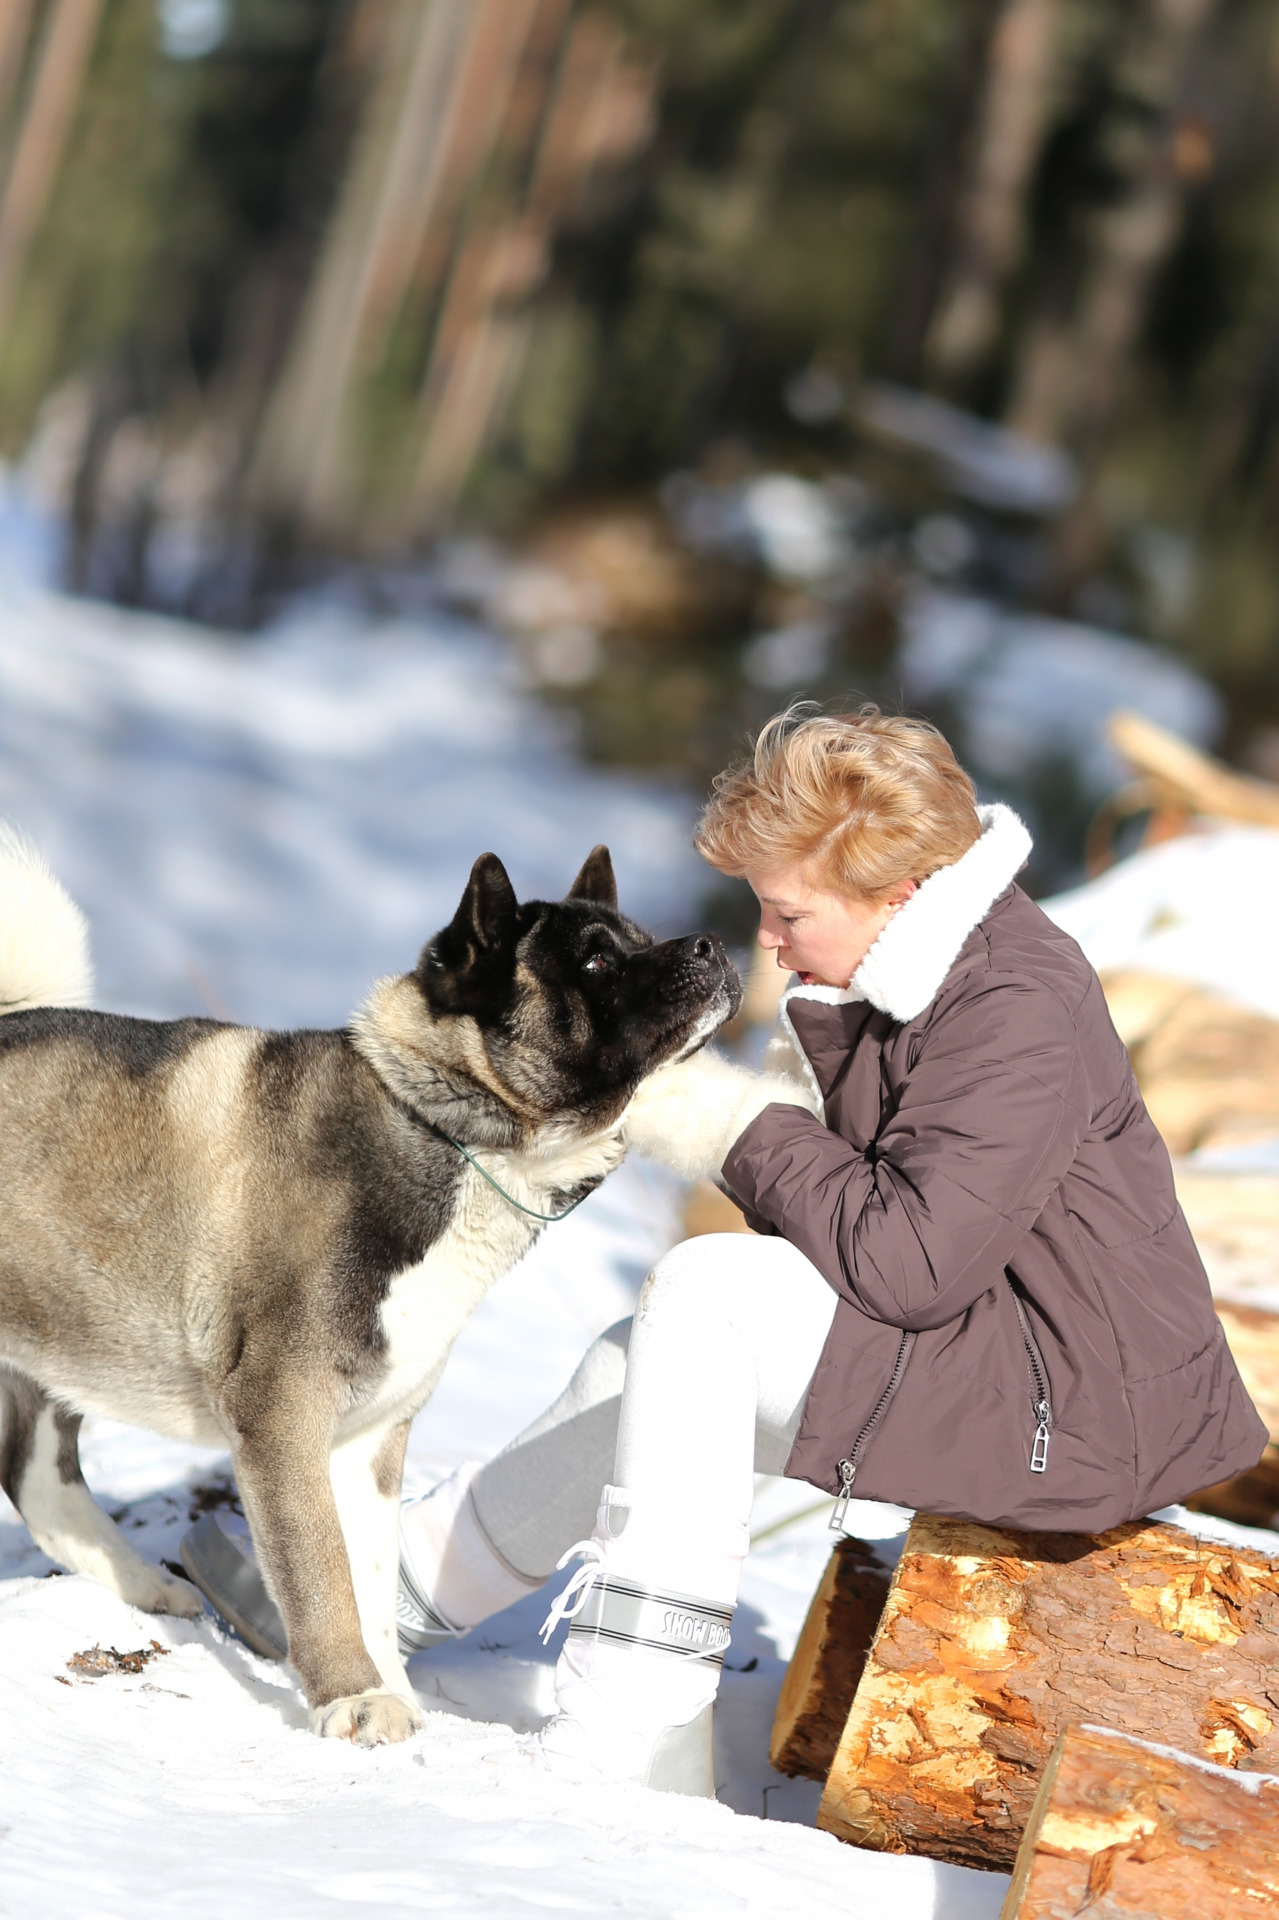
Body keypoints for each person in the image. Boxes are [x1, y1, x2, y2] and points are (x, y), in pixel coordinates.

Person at [183, 706, 1267, 1796]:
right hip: (1022, 1352)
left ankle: (638, 1717)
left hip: (1071, 1410)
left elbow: (906, 1263)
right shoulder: (914, 973)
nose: (770, 942)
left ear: (895, 893)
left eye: (787, 912)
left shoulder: (1010, 1005)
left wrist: (729, 1125)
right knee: (645, 1351)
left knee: (704, 1296)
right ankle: (405, 1589)